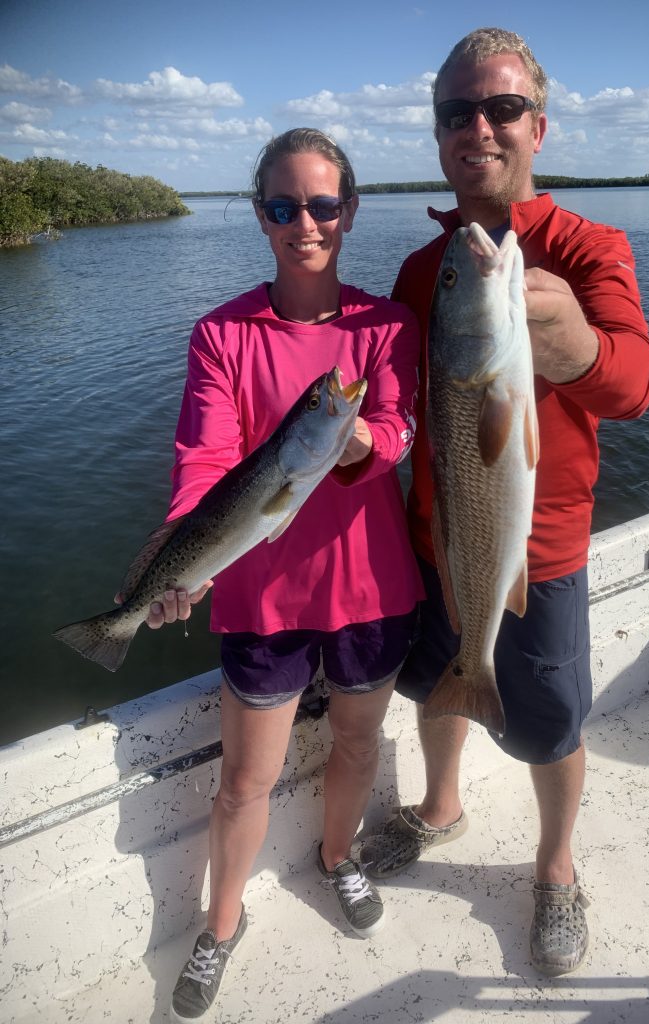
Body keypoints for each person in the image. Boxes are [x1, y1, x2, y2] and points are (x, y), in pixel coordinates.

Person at [360, 28, 649, 977]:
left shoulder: (588, 248)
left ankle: (557, 866)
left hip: (545, 546)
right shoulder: (426, 270)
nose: (478, 128)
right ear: (440, 134)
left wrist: (571, 341)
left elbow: (636, 383)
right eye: (458, 113)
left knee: (549, 722)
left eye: (500, 109)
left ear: (538, 125)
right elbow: (398, 408)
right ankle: (442, 806)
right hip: (434, 535)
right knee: (436, 688)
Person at [151, 128, 423, 1022]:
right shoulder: (221, 332)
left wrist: (366, 444)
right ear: (260, 215)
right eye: (282, 206)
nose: (304, 222)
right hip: (259, 593)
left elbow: (400, 427)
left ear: (349, 211)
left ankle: (336, 859)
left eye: (322, 204)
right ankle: (219, 928)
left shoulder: (386, 325)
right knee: (243, 782)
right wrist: (180, 558)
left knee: (356, 744)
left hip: (371, 589)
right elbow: (205, 459)